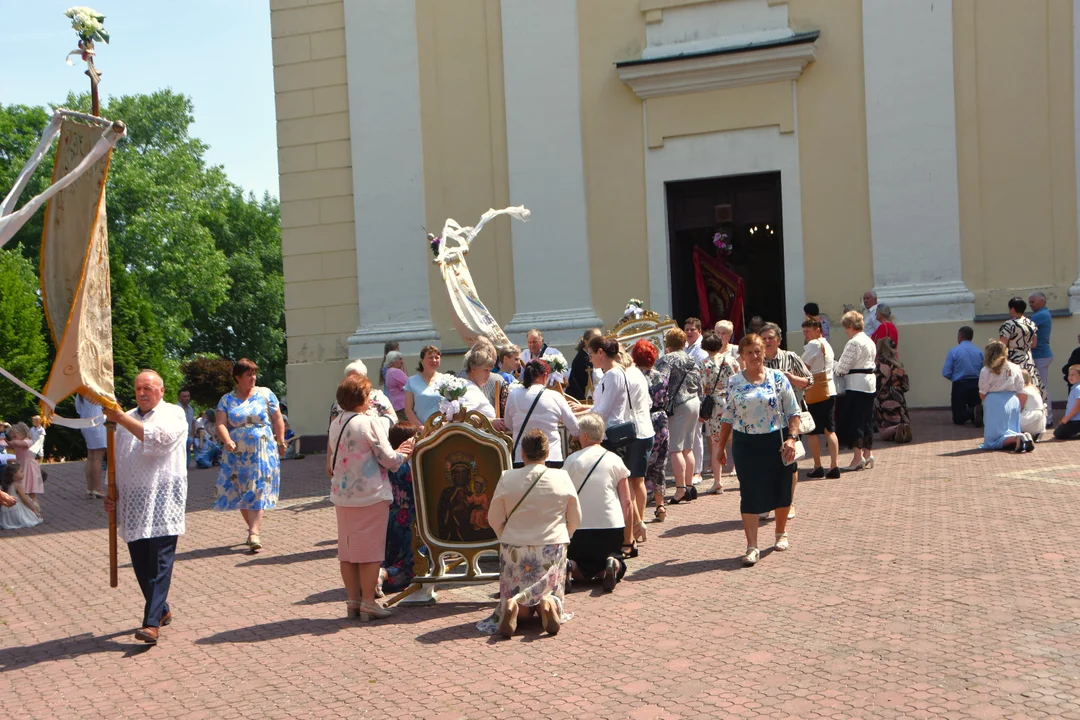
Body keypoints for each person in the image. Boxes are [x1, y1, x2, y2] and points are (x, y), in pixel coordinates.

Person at [102, 370, 188, 644]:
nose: (142, 393)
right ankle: (161, 610)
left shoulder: (173, 414)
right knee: (141, 564)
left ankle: (150, 624)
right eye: (138, 388)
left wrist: (121, 419)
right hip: (134, 501)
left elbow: (158, 441)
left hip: (164, 498)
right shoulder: (123, 419)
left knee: (161, 561)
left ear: (161, 390)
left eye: (148, 388)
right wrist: (110, 491)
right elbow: (115, 459)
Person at [327, 373, 415, 621]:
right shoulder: (368, 423)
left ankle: (353, 600)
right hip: (370, 494)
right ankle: (368, 602)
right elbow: (389, 459)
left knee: (347, 550)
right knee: (370, 551)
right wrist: (404, 451)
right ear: (361, 397)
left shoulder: (336, 422)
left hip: (343, 494)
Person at [479, 429, 580, 638]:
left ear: (522, 453)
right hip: (552, 545)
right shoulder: (561, 476)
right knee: (549, 590)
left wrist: (506, 536)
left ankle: (515, 606)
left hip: (514, 546)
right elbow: (575, 517)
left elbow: (494, 517)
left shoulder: (508, 477)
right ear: (547, 452)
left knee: (518, 594)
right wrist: (563, 536)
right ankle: (549, 603)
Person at [716, 334, 801, 566]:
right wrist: (721, 446)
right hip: (746, 442)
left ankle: (780, 532)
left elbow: (793, 411)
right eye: (750, 352)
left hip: (777, 440)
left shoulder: (777, 378)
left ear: (764, 352)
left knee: (781, 487)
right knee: (749, 492)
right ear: (742, 356)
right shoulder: (734, 382)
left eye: (758, 351)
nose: (755, 356)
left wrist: (792, 439)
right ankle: (752, 546)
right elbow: (728, 415)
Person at [568, 337, 654, 558]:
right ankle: (633, 532)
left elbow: (603, 411)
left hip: (612, 436)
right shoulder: (612, 374)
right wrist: (584, 409)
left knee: (621, 490)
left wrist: (579, 417)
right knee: (622, 490)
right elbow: (603, 406)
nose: (589, 359)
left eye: (591, 354)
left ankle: (630, 537)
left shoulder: (613, 374)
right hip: (611, 432)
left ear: (600, 353)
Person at [213, 358, 286, 553]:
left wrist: (281, 440)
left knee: (258, 487)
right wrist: (227, 440)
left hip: (262, 449)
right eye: (248, 375)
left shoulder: (265, 394)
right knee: (241, 490)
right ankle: (252, 530)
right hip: (236, 452)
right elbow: (220, 423)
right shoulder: (226, 400)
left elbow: (277, 418)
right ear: (238, 378)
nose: (253, 378)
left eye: (254, 374)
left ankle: (254, 532)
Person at [563, 413, 630, 592]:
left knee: (580, 564)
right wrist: (623, 528)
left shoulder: (571, 460)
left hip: (579, 528)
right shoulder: (615, 460)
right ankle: (612, 564)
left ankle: (570, 566)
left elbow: (563, 496)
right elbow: (627, 500)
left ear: (585, 436)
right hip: (610, 526)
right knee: (617, 559)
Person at [760, 322, 813, 517]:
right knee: (766, 463)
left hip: (790, 418)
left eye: (770, 338)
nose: (767, 342)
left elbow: (810, 382)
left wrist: (791, 379)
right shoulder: (758, 360)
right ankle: (766, 503)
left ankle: (788, 502)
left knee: (789, 462)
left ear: (779, 340)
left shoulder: (790, 357)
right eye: (763, 338)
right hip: (763, 419)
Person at [504, 359, 580, 468]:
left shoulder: (514, 394)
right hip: (552, 456)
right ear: (545, 375)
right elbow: (574, 428)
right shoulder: (555, 396)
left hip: (523, 457)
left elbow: (508, 423)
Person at [655, 328, 702, 505]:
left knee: (675, 448)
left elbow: (661, 383)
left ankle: (681, 489)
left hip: (678, 405)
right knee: (687, 447)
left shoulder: (666, 360)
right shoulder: (691, 359)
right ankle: (689, 486)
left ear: (668, 342)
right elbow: (699, 382)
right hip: (694, 401)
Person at [380, 421, 421, 595]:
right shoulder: (411, 466)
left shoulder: (389, 465)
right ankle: (386, 575)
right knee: (411, 560)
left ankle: (380, 572)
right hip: (410, 518)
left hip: (392, 516)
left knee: (392, 553)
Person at [632, 339, 670, 521]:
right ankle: (661, 505)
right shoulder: (661, 376)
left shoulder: (634, 377)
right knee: (660, 464)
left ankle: (639, 506)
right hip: (661, 421)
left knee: (641, 464)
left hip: (643, 421)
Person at [834, 311, 878, 470]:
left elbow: (842, 367)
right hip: (869, 384)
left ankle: (857, 457)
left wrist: (835, 367)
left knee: (856, 420)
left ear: (851, 326)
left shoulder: (854, 343)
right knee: (867, 419)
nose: (846, 331)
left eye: (846, 327)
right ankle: (868, 453)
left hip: (856, 385)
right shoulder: (869, 341)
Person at [700, 332, 740, 494]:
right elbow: (738, 379)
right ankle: (740, 475)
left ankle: (718, 481)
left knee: (716, 442)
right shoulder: (731, 360)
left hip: (714, 404)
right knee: (735, 439)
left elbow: (702, 386)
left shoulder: (703, 364)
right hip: (731, 401)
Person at [801, 317, 840, 478]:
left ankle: (818, 465)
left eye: (808, 331)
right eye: (804, 332)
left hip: (816, 390)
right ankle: (834, 465)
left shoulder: (814, 344)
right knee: (829, 428)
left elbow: (803, 367)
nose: (806, 335)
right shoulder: (827, 345)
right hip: (830, 389)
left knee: (812, 430)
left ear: (818, 330)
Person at [979, 341, 1033, 452]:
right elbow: (1020, 388)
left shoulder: (986, 370)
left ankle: (1017, 438)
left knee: (992, 439)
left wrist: (987, 403)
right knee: (1010, 428)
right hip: (1013, 399)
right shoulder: (1015, 367)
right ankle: (1021, 436)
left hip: (995, 401)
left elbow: (982, 392)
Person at [1000, 297, 1046, 408]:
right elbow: (1034, 344)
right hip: (1028, 358)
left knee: (1014, 387)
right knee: (1031, 385)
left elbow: (1001, 345)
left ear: (1012, 309)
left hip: (1013, 359)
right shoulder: (1031, 323)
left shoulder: (1008, 325)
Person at [331, 360, 397, 430]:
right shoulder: (340, 400)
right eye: (349, 378)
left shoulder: (377, 396)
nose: (352, 381)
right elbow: (333, 427)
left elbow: (393, 419)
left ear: (364, 378)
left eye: (356, 378)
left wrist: (375, 424)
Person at [943, 326, 985, 426]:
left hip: (960, 384)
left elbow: (946, 372)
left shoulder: (954, 351)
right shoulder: (979, 352)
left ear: (960, 336)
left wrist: (954, 378)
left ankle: (971, 412)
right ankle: (977, 411)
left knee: (958, 418)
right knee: (976, 412)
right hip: (976, 383)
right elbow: (984, 369)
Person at [874, 338, 911, 442]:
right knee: (901, 423)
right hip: (899, 403)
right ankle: (902, 427)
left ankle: (895, 429)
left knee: (883, 431)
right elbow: (906, 387)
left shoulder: (876, 365)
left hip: (882, 401)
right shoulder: (899, 366)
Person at [405, 345, 446, 427]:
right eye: (430, 357)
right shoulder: (412, 381)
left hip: (443, 428)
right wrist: (421, 427)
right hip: (422, 429)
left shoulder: (446, 380)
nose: (434, 360)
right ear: (422, 360)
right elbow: (408, 409)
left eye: (437, 357)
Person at [1029, 292, 1054, 426]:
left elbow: (1025, 326)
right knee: (1039, 387)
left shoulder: (1040, 315)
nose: (1030, 304)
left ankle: (1048, 418)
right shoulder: (1042, 314)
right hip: (1040, 355)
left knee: (1042, 387)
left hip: (1041, 356)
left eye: (1033, 302)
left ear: (1042, 301)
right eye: (1030, 302)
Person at [76, 394, 106, 499]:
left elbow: (78, 409)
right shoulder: (98, 388)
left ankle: (90, 487)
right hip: (98, 423)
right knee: (98, 457)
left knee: (91, 456)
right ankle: (97, 488)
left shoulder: (81, 391)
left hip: (85, 423)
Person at [6, 423, 43, 503]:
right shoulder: (18, 442)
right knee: (22, 492)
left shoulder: (28, 441)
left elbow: (16, 444)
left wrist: (8, 442)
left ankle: (36, 511)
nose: (13, 439)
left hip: (29, 468)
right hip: (22, 467)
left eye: (15, 436)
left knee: (31, 494)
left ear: (22, 433)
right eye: (12, 437)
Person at [460, 344, 498, 419]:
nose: (488, 374)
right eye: (486, 370)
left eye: (490, 371)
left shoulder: (471, 387)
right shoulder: (470, 389)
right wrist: (491, 421)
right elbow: (462, 415)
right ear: (473, 369)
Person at [0, 462, 42, 529]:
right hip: (16, 509)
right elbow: (25, 500)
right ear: (14, 474)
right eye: (21, 471)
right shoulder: (18, 485)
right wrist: (34, 510)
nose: (23, 473)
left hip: (5, 511)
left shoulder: (3, 485)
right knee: (33, 516)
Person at [566, 328, 602, 401]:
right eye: (595, 339)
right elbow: (583, 385)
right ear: (586, 341)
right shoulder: (582, 359)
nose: (599, 341)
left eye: (600, 338)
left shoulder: (598, 355)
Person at [1053, 365, 1080, 440]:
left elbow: (1078, 406)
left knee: (1058, 434)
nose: (1070, 377)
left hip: (1076, 420)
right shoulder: (1075, 387)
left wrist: (1066, 419)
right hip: (1074, 419)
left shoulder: (1078, 388)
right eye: (1069, 375)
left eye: (1073, 375)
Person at [1019, 371, 1047, 440]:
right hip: (1040, 419)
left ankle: (1023, 433)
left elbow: (1020, 407)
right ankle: (1033, 433)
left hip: (1030, 417)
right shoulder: (1034, 388)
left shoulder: (1024, 391)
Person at [383, 351, 409, 421]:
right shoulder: (396, 372)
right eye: (399, 359)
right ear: (393, 361)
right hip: (402, 405)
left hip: (395, 405)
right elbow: (409, 384)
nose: (402, 361)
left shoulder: (388, 372)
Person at [178, 389, 195, 464]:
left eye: (188, 396)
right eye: (184, 396)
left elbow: (192, 422)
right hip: (179, 436)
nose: (187, 398)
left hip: (188, 435)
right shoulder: (175, 409)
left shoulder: (191, 409)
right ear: (179, 398)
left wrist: (192, 434)